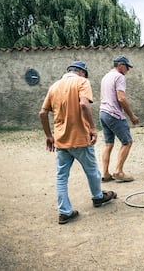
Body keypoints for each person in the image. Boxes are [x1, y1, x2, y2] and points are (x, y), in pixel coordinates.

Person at [39, 61, 117, 225]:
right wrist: (93, 128)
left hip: (61, 140)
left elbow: (43, 113)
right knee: (92, 171)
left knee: (61, 177)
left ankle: (65, 212)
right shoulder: (82, 82)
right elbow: (83, 104)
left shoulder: (54, 86)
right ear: (81, 72)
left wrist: (48, 135)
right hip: (80, 138)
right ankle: (97, 197)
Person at [99, 55, 139, 183]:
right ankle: (118, 171)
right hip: (114, 114)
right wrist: (131, 116)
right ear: (120, 65)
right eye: (127, 67)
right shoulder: (119, 77)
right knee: (127, 142)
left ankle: (105, 174)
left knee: (108, 144)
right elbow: (121, 98)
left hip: (103, 113)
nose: (128, 70)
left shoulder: (106, 77)